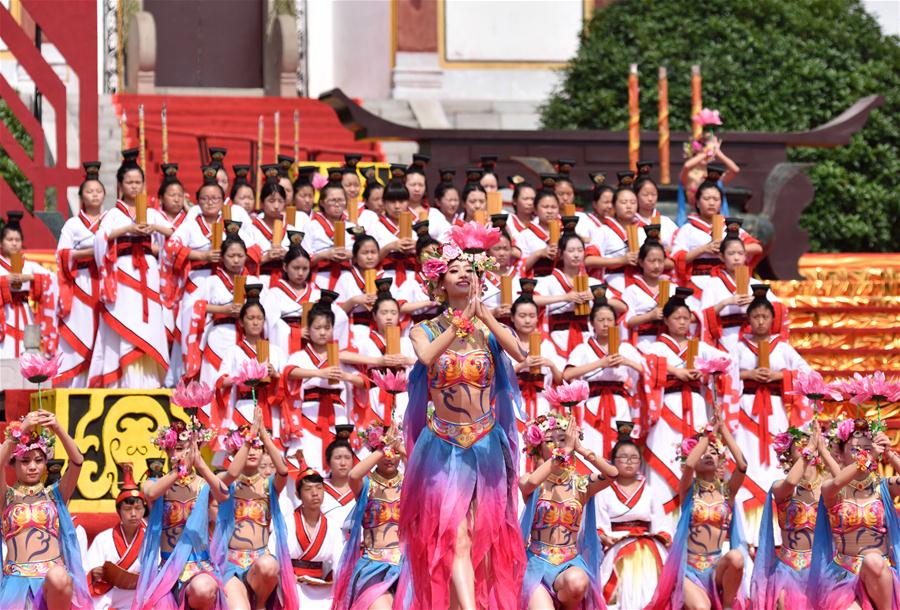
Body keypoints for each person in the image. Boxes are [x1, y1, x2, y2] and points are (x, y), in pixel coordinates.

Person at [402, 221, 526, 609]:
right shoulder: (424, 329)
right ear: (440, 284)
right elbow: (425, 357)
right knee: (454, 534)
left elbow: (520, 352)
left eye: (469, 272)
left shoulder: (489, 332)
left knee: (481, 536)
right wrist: (459, 324)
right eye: (454, 271)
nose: (463, 277)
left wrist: (485, 318)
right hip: (442, 445)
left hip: (485, 442)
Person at [642, 291, 737, 512]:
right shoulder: (657, 347)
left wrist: (704, 371)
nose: (683, 322)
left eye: (686, 318)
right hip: (669, 405)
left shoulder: (699, 348)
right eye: (677, 318)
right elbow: (645, 364)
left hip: (694, 404)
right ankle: (663, 518)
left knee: (699, 449)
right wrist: (675, 371)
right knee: (666, 454)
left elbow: (728, 361)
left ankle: (697, 512)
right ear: (666, 320)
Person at [644, 422, 750, 610]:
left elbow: (742, 465)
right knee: (701, 608)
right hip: (689, 570)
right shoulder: (688, 490)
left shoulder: (727, 492)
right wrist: (709, 434)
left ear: (721, 460)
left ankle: (727, 606)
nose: (708, 455)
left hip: (716, 568)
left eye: (714, 452)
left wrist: (723, 431)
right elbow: (690, 464)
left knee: (736, 558)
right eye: (703, 452)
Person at [90, 149, 172, 388]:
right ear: (120, 185)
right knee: (125, 322)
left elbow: (174, 236)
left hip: (148, 269)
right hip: (124, 271)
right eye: (129, 182)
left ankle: (151, 381)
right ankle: (124, 379)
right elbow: (100, 238)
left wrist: (155, 227)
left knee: (149, 323)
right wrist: (129, 229)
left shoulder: (152, 212)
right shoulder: (114, 214)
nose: (134, 186)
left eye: (138, 182)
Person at [519, 413, 615, 609]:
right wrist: (564, 451)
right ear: (538, 447)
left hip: (568, 563)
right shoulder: (531, 481)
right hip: (536, 563)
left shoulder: (581, 484)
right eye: (549, 441)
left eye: (562, 439)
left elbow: (612, 474)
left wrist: (581, 450)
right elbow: (531, 482)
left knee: (578, 582)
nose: (558, 444)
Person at [734, 295, 812, 535]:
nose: (760, 321)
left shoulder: (783, 347)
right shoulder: (737, 348)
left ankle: (777, 520)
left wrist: (779, 377)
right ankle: (747, 522)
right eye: (755, 316)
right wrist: (747, 375)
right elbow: (723, 375)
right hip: (745, 409)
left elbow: (807, 373)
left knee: (775, 455)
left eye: (764, 317)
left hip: (775, 409)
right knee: (746, 455)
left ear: (772, 319)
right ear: (748, 320)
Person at [133, 417, 229, 610]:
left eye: (183, 448)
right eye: (173, 448)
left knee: (203, 590)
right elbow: (151, 494)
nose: (177, 453)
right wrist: (179, 470)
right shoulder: (154, 483)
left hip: (199, 567)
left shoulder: (203, 485)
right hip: (167, 568)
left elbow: (225, 495)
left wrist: (201, 465)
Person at [0, 410, 91, 609]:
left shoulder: (56, 494)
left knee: (58, 575)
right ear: (12, 463)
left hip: (52, 585)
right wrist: (18, 433)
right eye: (25, 461)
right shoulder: (6, 497)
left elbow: (77, 461)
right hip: (15, 582)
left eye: (38, 460)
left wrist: (57, 428)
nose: (32, 466)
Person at [809, 418, 900, 610]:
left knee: (873, 561)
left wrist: (890, 454)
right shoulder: (832, 491)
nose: (863, 454)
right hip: (844, 575)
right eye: (855, 450)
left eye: (868, 449)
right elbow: (834, 484)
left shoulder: (883, 487)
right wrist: (868, 457)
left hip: (880, 575)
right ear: (840, 455)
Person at [212, 414, 297, 610]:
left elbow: (283, 471)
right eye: (247, 446)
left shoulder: (269, 486)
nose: (252, 451)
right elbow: (233, 472)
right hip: (231, 562)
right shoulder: (226, 481)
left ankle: (260, 604)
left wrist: (264, 437)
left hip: (260, 561)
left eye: (256, 448)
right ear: (236, 450)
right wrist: (249, 439)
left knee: (269, 566)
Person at [749, 424, 838, 610]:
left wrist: (824, 452)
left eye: (809, 441)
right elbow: (791, 481)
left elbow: (844, 484)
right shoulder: (780, 487)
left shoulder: (827, 487)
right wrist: (811, 450)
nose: (807, 445)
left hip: (820, 567)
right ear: (788, 456)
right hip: (788, 568)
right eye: (800, 443)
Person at [282, 303, 366, 471]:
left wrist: (346, 376)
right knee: (309, 459)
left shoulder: (339, 355)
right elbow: (289, 372)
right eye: (317, 327)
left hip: (337, 415)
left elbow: (363, 381)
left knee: (338, 459)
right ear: (308, 329)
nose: (322, 332)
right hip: (309, 413)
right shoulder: (299, 355)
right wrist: (319, 373)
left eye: (327, 328)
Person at [332, 423, 407, 610]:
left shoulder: (409, 482)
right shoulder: (367, 485)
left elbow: (424, 473)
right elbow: (353, 474)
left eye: (394, 453)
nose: (389, 457)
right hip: (374, 565)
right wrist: (384, 447)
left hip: (407, 566)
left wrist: (400, 448)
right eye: (383, 452)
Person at [596, 437, 673, 610]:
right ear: (613, 461)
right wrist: (605, 537)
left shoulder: (650, 491)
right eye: (623, 457)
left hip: (648, 546)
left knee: (652, 588)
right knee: (621, 592)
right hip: (617, 546)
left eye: (634, 457)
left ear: (640, 462)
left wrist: (662, 537)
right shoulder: (604, 491)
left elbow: (662, 525)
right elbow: (600, 526)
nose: (629, 462)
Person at [564, 299, 645, 453]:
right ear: (592, 323)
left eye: (610, 320)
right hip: (593, 402)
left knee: (619, 444)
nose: (605, 324)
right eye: (601, 320)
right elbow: (568, 373)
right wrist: (601, 363)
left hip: (618, 402)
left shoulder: (625, 347)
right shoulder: (583, 348)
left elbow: (645, 371)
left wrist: (626, 361)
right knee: (592, 444)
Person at [55, 163, 106, 386]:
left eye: (98, 191)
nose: (94, 195)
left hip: (107, 283)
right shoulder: (73, 224)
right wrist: (92, 250)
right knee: (81, 329)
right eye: (89, 191)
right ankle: (76, 384)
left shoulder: (112, 219)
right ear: (81, 196)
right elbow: (62, 254)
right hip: (82, 282)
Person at [670, 183, 762, 297]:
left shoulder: (730, 226)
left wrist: (729, 248)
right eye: (707, 198)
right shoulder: (687, 229)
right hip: (699, 281)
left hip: (727, 278)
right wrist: (703, 249)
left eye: (716, 199)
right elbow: (677, 258)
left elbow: (757, 248)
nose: (711, 203)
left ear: (720, 204)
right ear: (697, 203)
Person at [85, 463, 147, 610]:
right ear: (119, 511)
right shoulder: (103, 538)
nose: (133, 514)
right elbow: (88, 568)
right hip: (110, 592)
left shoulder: (149, 538)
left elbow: (156, 568)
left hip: (138, 592)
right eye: (127, 509)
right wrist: (94, 573)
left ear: (144, 510)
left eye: (138, 508)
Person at [285, 468, 344, 610]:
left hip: (321, 585)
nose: (315, 493)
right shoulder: (287, 523)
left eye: (319, 488)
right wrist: (288, 576)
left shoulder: (332, 526)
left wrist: (338, 581)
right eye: (308, 489)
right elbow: (277, 556)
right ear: (298, 495)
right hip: (291, 582)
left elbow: (339, 561)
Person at [1, 212, 56, 360]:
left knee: (28, 353)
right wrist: (4, 281)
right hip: (4, 314)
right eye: (9, 239)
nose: (14, 243)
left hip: (25, 313)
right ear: (1, 243)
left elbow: (53, 278)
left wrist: (30, 277)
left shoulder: (29, 265)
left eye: (18, 240)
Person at [534, 232, 595, 357]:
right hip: (557, 333)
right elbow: (533, 299)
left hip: (586, 333)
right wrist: (565, 298)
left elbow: (620, 305)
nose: (576, 255)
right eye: (571, 250)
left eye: (580, 250)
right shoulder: (549, 281)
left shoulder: (593, 282)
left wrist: (596, 296)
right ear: (561, 254)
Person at [622, 237, 686, 352]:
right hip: (641, 343)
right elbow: (627, 321)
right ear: (641, 262)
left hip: (668, 345)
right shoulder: (631, 290)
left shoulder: (673, 288)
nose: (657, 266)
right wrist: (650, 316)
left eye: (660, 261)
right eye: (652, 261)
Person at [509, 294, 563, 420]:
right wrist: (522, 365)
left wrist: (551, 364)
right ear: (512, 317)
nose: (527, 321)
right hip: (513, 403)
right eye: (522, 316)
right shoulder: (507, 344)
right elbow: (497, 378)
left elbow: (560, 380)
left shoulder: (547, 345)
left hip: (541, 403)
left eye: (532, 316)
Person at [305, 182, 356, 292]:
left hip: (347, 278)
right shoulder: (311, 226)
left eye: (341, 200)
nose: (337, 204)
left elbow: (364, 255)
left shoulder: (353, 227)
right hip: (320, 276)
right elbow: (302, 259)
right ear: (322, 203)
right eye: (333, 200)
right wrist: (325, 254)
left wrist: (352, 254)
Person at [321, 438, 357, 527]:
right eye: (338, 458)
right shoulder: (318, 488)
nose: (343, 463)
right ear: (328, 462)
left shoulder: (363, 488)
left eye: (347, 458)